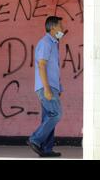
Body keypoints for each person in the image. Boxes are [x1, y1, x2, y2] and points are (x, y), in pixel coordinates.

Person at [27, 16, 65, 158]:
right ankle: (35, 139)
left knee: (48, 117)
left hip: (51, 86)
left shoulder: (53, 44)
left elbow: (52, 68)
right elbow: (41, 65)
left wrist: (58, 87)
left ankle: (46, 149)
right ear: (53, 27)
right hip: (46, 87)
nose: (62, 28)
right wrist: (47, 88)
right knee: (56, 114)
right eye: (60, 26)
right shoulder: (46, 43)